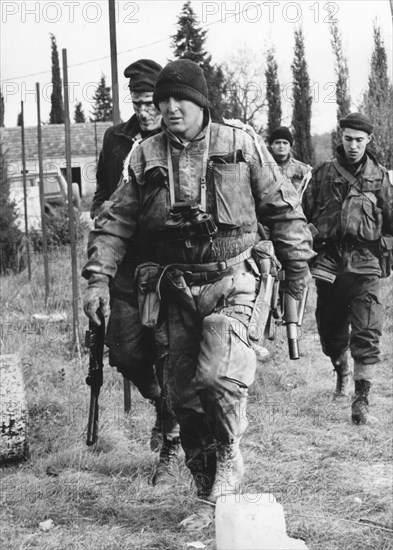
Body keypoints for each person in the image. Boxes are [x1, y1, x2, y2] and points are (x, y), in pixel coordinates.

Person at [83, 59, 314, 530]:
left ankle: (230, 455)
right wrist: (98, 278)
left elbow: (284, 210)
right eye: (162, 100)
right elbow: (115, 222)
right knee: (183, 397)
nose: (169, 108)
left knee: (216, 377)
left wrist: (296, 271)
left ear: (201, 101)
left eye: (178, 99)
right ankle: (209, 491)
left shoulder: (241, 144)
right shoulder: (144, 156)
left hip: (234, 280)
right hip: (175, 289)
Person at [89, 59, 180, 483]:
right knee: (124, 351)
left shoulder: (173, 141)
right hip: (124, 263)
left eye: (151, 104)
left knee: (167, 351)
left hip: (165, 265)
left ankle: (173, 440)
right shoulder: (115, 139)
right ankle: (163, 405)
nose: (145, 112)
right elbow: (102, 194)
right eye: (138, 104)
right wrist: (102, 217)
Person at [302, 112, 393, 425]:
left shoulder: (379, 177)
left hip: (366, 264)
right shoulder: (322, 174)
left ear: (368, 141)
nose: (354, 145)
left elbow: (390, 221)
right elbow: (303, 218)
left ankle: (361, 401)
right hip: (329, 264)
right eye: (349, 138)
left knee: (368, 330)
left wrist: (386, 253)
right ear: (340, 137)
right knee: (330, 333)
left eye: (360, 139)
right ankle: (340, 368)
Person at [268, 126, 311, 194]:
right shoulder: (263, 168)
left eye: (285, 143)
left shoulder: (303, 170)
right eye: (277, 142)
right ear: (271, 145)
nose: (281, 146)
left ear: (290, 146)